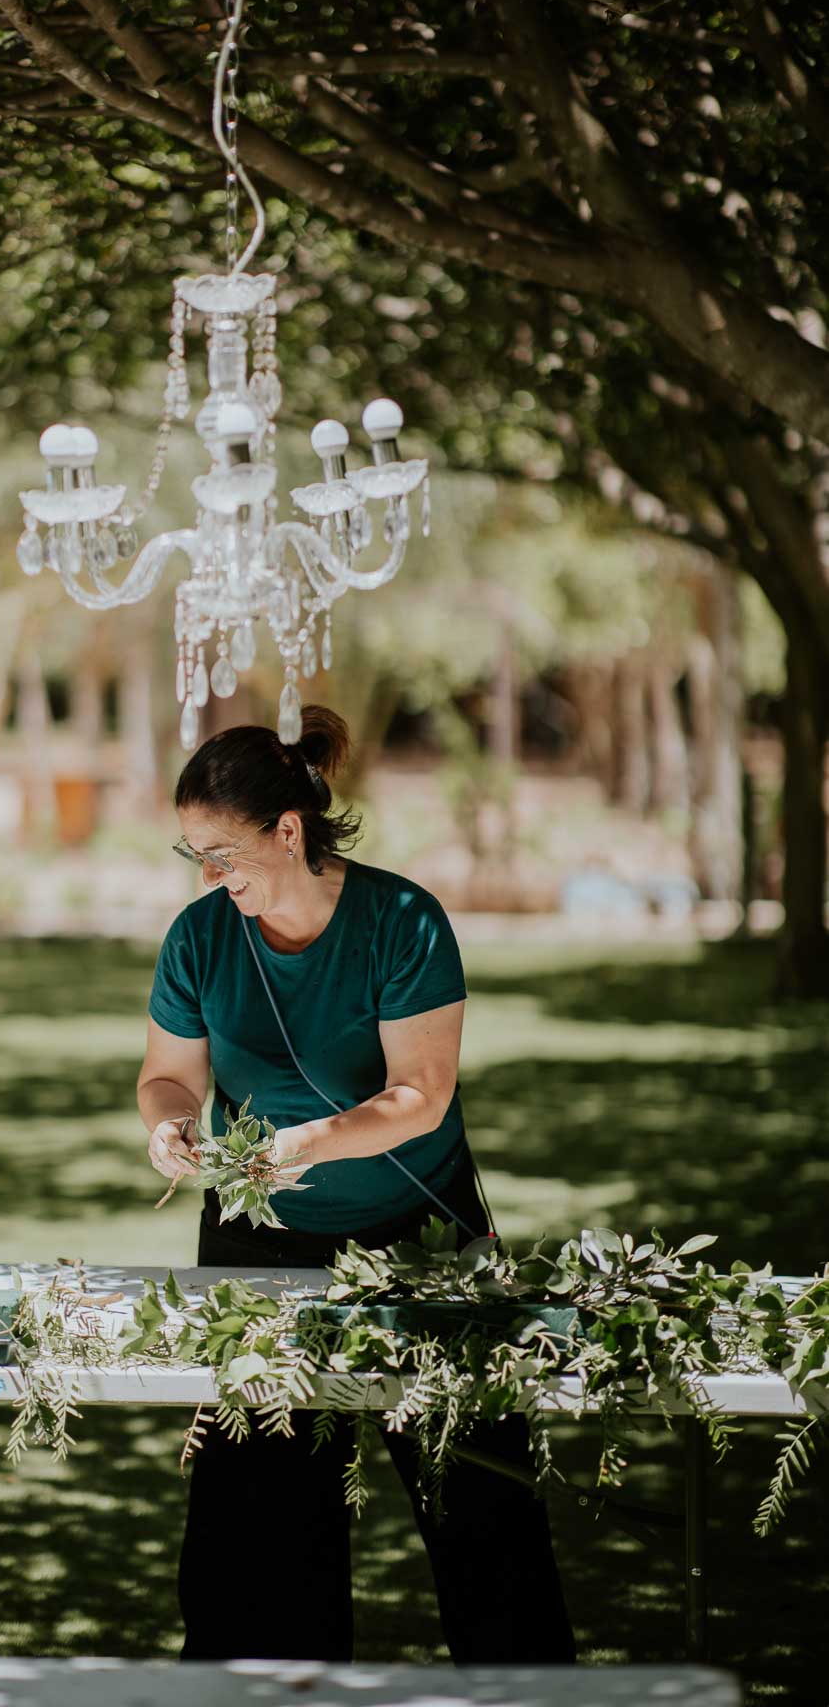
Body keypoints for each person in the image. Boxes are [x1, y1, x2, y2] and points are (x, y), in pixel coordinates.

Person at [135, 705, 575, 1665]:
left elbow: (420, 1095)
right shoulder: (199, 937)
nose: (209, 875)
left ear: (287, 830)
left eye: (221, 852)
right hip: (257, 1254)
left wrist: (307, 1144)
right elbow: (168, 1073)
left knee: (479, 1504)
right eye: (192, 854)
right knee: (254, 1525)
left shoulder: (402, 920)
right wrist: (169, 1124)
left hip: (419, 1239)